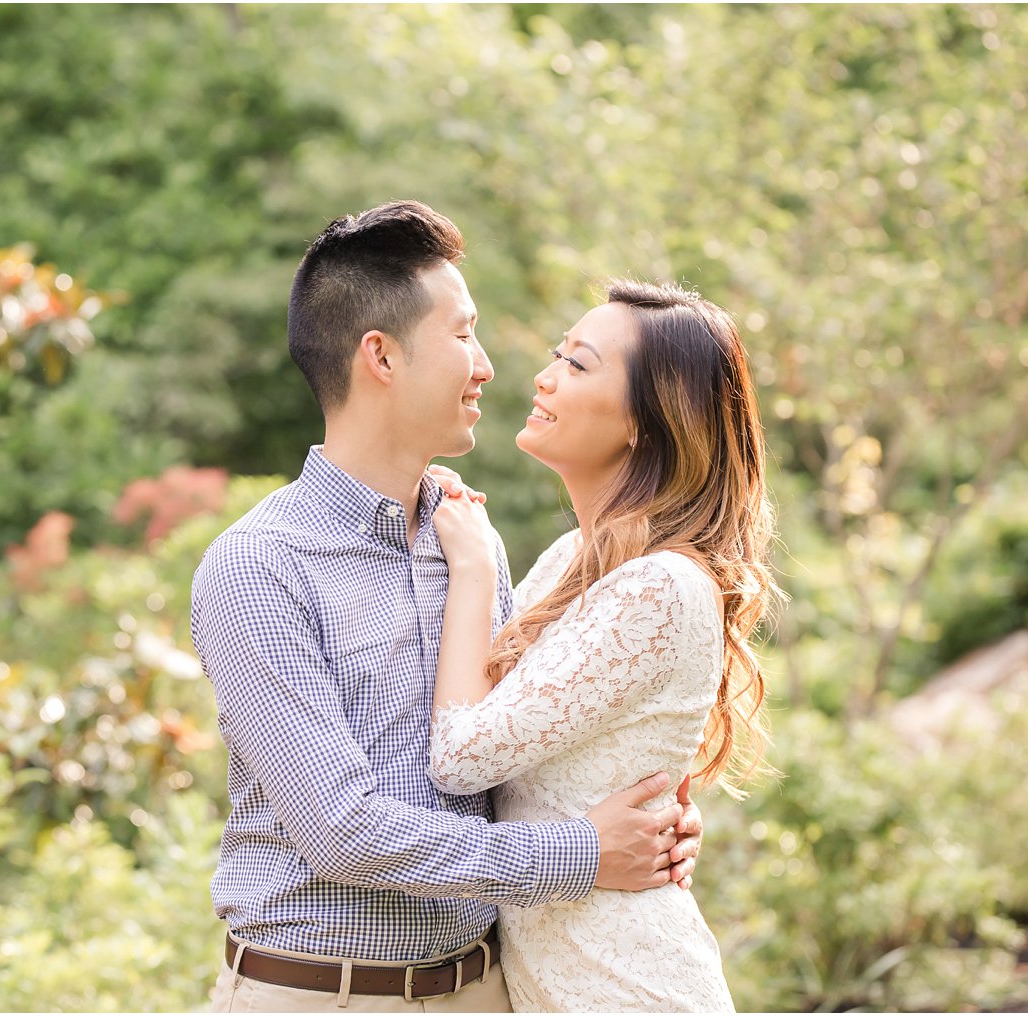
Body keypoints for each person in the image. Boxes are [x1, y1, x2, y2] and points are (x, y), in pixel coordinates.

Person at [190, 201, 703, 1013]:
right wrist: (581, 853)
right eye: (463, 334)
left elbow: (511, 754)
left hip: (485, 987)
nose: (488, 365)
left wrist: (652, 821)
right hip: (320, 996)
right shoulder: (259, 567)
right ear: (381, 358)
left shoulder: (471, 544)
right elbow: (340, 830)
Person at [425, 279, 778, 1011]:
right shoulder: (569, 560)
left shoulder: (661, 588)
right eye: (557, 355)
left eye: (578, 365)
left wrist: (473, 566)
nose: (544, 377)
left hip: (624, 988)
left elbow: (460, 756)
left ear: (650, 422)